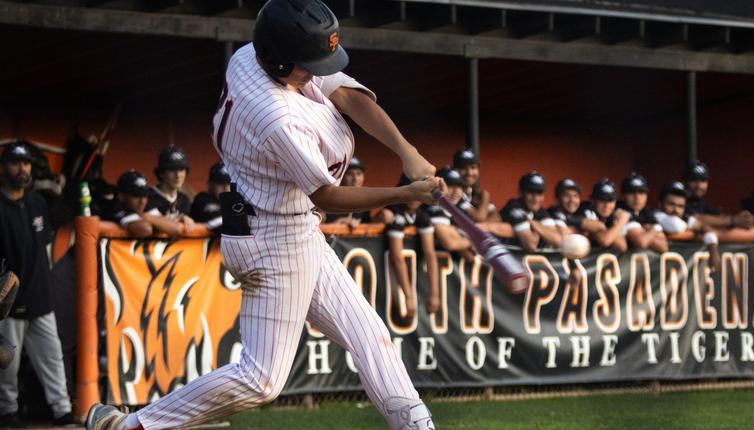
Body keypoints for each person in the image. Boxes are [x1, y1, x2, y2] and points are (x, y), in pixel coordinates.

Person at [85, 1, 442, 429]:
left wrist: (409, 153)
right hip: (274, 240)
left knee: (370, 335)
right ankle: (128, 426)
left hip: (288, 226)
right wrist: (405, 193)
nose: (317, 72)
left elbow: (347, 96)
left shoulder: (252, 56)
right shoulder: (275, 116)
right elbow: (326, 195)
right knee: (262, 380)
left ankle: (418, 425)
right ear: (277, 59)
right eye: (307, 64)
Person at [0, 142, 74, 427]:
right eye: (16, 163)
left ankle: (62, 412)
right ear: (4, 168)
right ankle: (7, 412)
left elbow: (43, 245)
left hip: (42, 301)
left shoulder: (37, 202)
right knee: (8, 366)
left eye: (27, 163)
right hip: (8, 306)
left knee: (52, 358)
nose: (23, 169)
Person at [385, 175, 439, 315]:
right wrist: (409, 297)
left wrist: (434, 293)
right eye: (412, 192)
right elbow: (397, 257)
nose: (416, 197)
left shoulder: (421, 213)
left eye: (420, 192)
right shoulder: (394, 212)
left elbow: (430, 254)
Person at [654, 181, 721, 271]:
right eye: (671, 204)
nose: (676, 210)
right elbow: (675, 225)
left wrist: (713, 251)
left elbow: (705, 228)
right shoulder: (655, 215)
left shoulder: (685, 218)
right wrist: (692, 229)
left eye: (680, 206)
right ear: (660, 204)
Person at [103, 171, 184, 238]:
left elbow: (175, 228)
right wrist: (157, 223)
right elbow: (145, 229)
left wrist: (145, 216)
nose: (142, 201)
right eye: (136, 196)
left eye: (144, 195)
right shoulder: (117, 209)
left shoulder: (145, 209)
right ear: (121, 196)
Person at [499, 171, 562, 252]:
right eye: (531, 192)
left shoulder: (539, 210)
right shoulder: (514, 207)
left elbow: (558, 241)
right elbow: (531, 245)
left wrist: (534, 224)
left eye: (539, 193)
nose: (535, 198)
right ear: (520, 193)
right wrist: (544, 232)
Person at [683, 161, 754, 230]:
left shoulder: (701, 201)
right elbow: (696, 218)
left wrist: (744, 219)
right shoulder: (679, 199)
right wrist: (733, 220)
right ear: (685, 181)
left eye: (703, 181)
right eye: (694, 180)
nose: (699, 186)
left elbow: (717, 217)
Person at [426, 168, 477, 259]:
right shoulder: (436, 208)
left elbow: (468, 254)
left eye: (459, 186)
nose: (456, 192)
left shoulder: (455, 208)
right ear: (437, 188)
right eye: (450, 186)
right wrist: (476, 241)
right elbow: (450, 243)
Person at [324, 156, 390, 226]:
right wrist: (338, 223)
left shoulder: (365, 200)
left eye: (358, 174)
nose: (355, 179)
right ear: (341, 176)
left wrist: (379, 220)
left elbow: (366, 225)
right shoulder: (329, 197)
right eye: (350, 174)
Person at [147, 146, 197, 232]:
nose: (178, 175)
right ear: (161, 173)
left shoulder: (184, 200)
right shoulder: (147, 197)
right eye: (172, 169)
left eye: (181, 169)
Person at [619, 173, 668, 252]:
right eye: (632, 192)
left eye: (641, 192)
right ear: (623, 196)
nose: (637, 197)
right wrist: (655, 229)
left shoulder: (646, 211)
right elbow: (642, 242)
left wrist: (646, 234)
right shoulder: (620, 211)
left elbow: (664, 246)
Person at [582, 179, 629, 253]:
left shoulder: (613, 215)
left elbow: (622, 246)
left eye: (610, 200)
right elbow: (605, 240)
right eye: (602, 200)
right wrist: (621, 221)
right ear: (592, 200)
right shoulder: (585, 211)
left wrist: (611, 228)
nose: (606, 205)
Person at [453, 148, 497, 222]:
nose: (469, 173)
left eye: (473, 167)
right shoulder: (452, 193)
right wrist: (485, 198)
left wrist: (480, 227)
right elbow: (479, 218)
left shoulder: (474, 193)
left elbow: (497, 218)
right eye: (463, 168)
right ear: (455, 170)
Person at [190, 162, 232, 233]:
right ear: (210, 184)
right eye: (220, 183)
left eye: (229, 183)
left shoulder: (235, 201)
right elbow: (218, 225)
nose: (226, 187)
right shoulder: (202, 200)